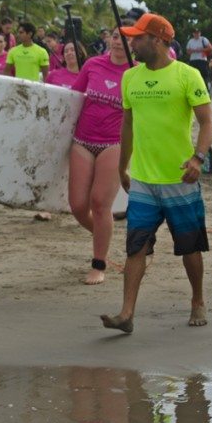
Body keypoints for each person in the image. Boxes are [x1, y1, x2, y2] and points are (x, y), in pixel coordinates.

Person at [100, 13, 212, 333]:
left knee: (189, 247)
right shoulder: (130, 78)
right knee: (136, 245)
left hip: (180, 178)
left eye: (137, 38)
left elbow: (207, 123)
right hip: (143, 180)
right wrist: (123, 166)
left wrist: (198, 158)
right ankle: (126, 314)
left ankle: (197, 300)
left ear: (158, 41)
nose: (131, 43)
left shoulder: (187, 75)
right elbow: (127, 125)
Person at [68, 26, 131, 285]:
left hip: (113, 143)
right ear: (109, 39)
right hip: (82, 141)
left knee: (99, 204)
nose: (118, 43)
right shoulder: (93, 64)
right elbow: (71, 98)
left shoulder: (136, 73)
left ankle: (99, 263)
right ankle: (104, 235)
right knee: (78, 206)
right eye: (116, 37)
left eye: (126, 39)